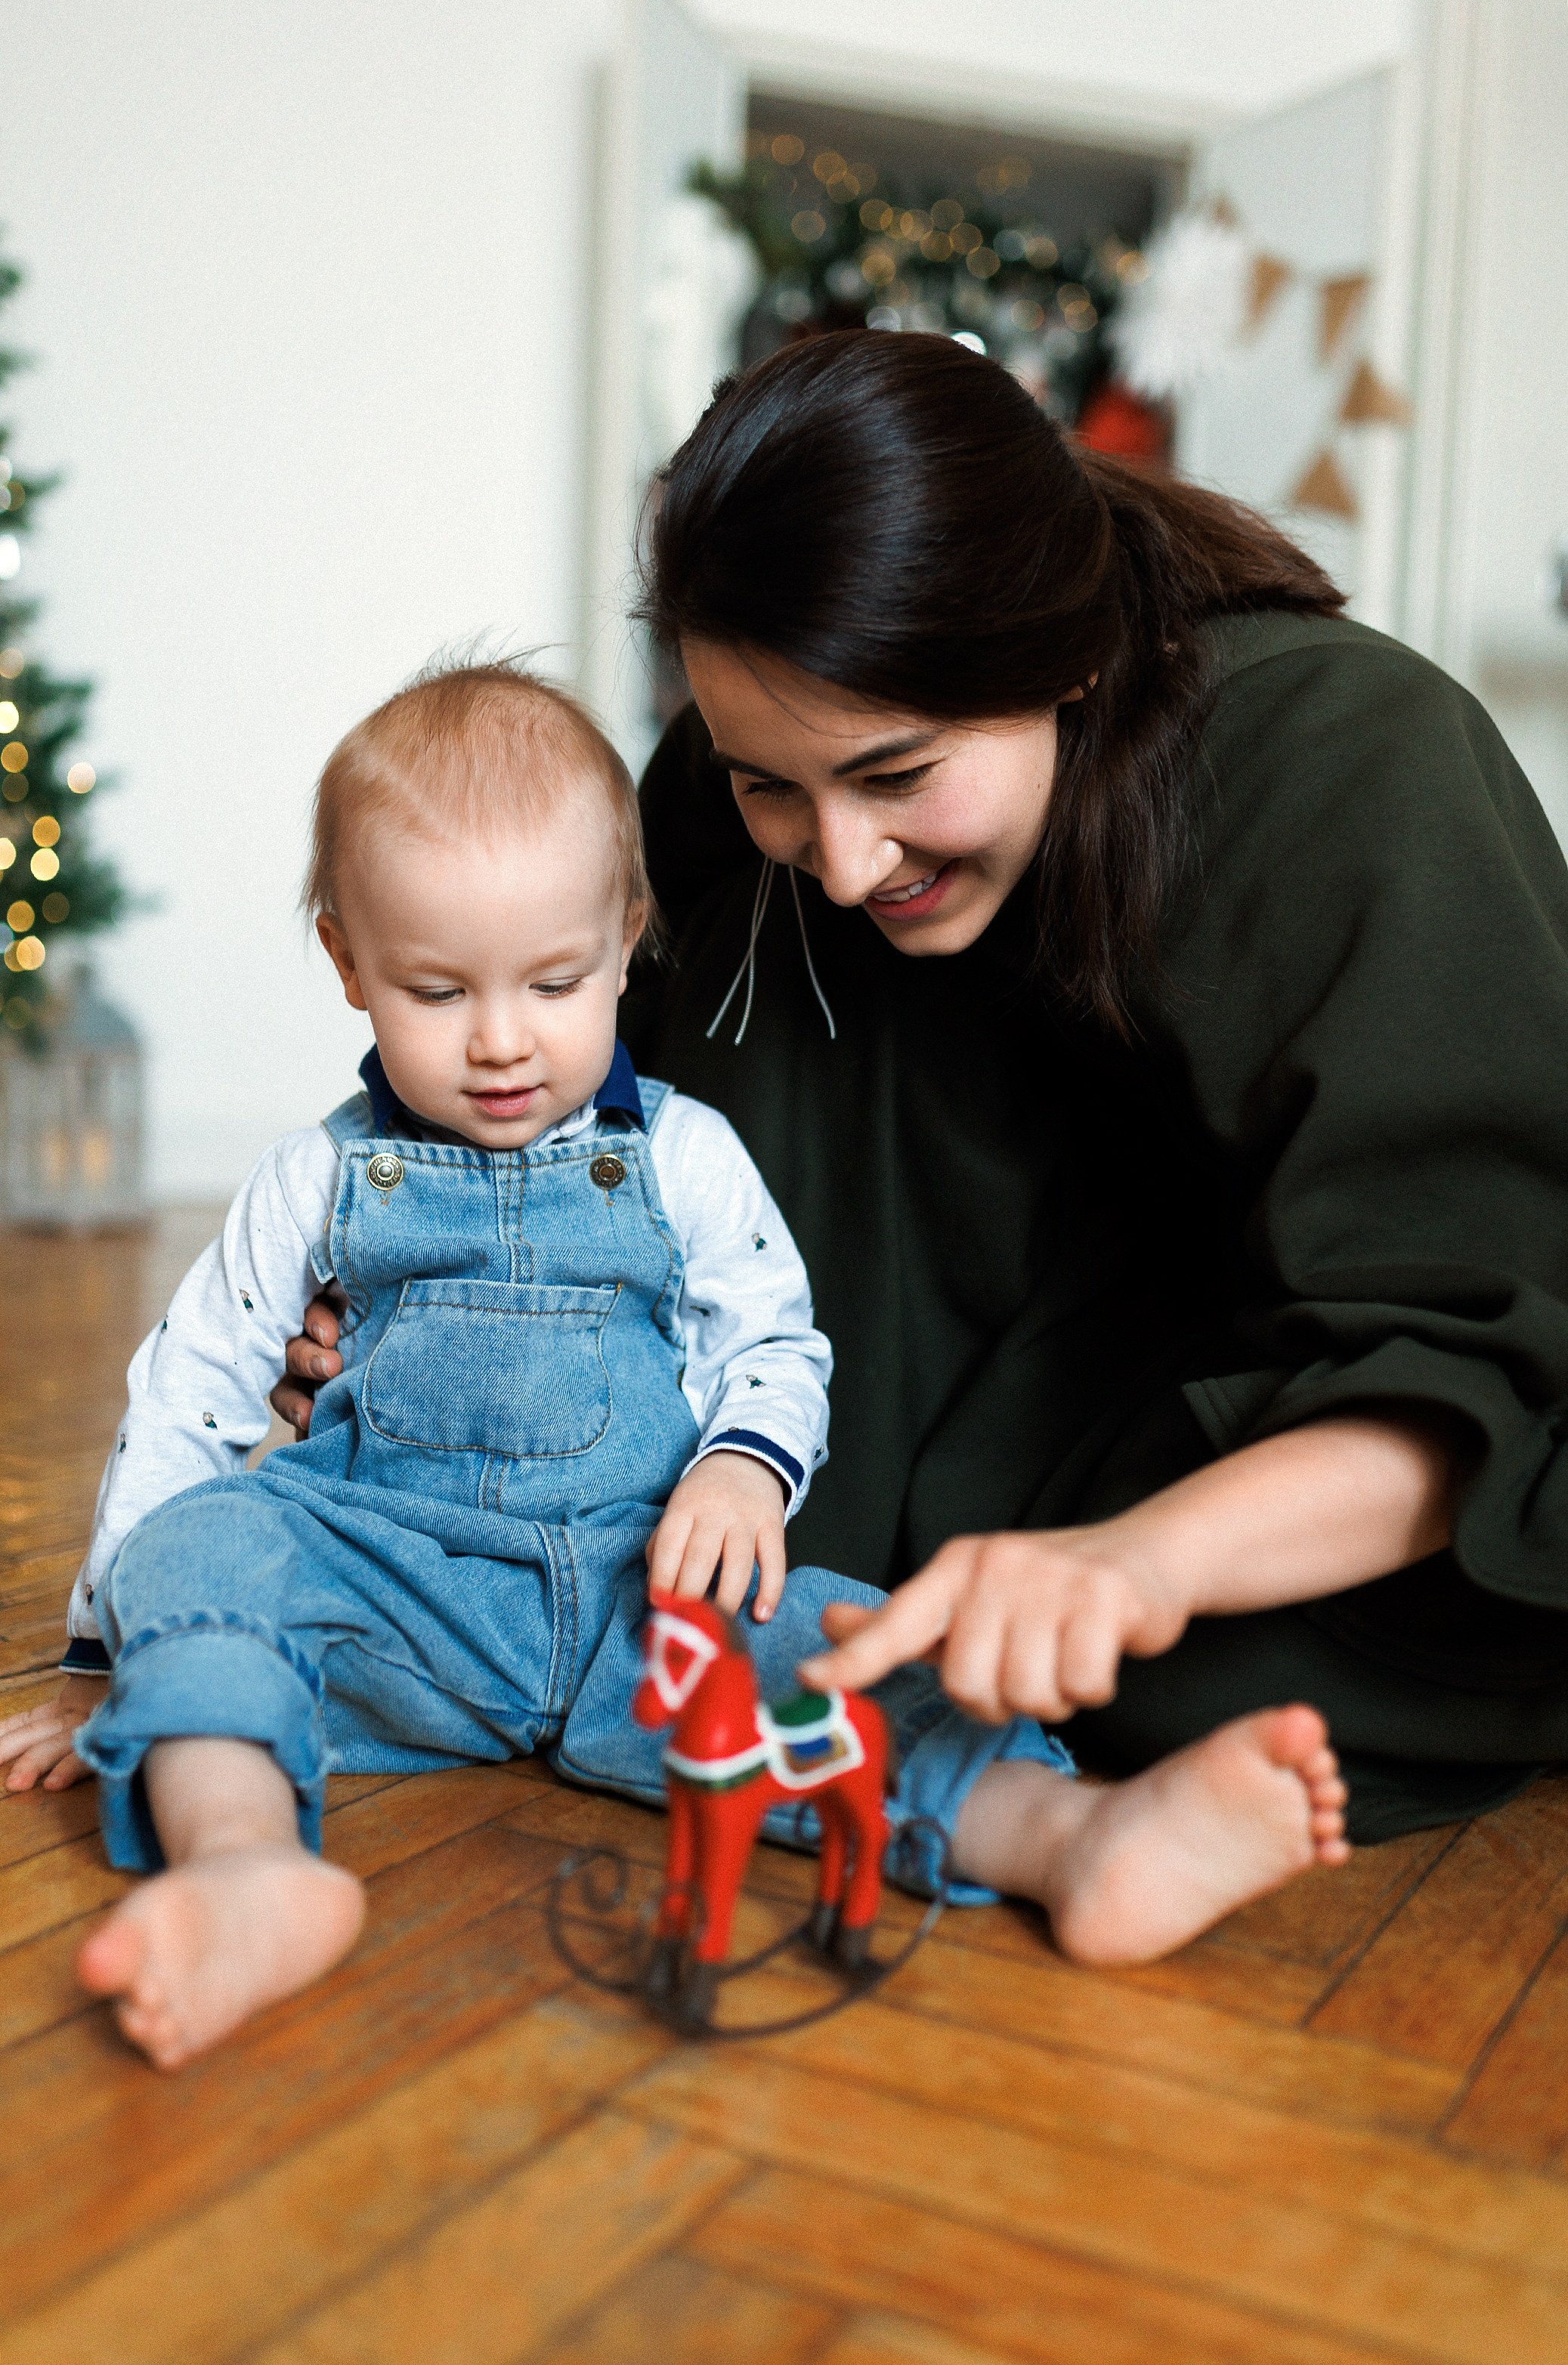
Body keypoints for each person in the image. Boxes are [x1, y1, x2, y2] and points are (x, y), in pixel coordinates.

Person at [268, 332, 1568, 1856]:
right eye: (772, 782)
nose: (842, 862)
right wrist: (445, 1304)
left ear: (1066, 656)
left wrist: (1140, 1563)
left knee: (1173, 1675)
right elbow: (605, 1137)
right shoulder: (720, 799)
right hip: (899, 1475)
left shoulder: (1355, 766)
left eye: (900, 772)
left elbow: (1498, 1356)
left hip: (1267, 1476)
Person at [4, 659, 1344, 2070]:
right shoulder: (320, 1176)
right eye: (438, 990)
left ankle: (1077, 1837)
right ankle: (242, 1865)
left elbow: (774, 1338)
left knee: (840, 1646)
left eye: (557, 980)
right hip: (384, 1588)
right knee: (206, 1556)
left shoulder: (683, 1155)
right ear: (348, 963)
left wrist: (742, 1472)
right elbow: (198, 1379)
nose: (504, 1038)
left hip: (639, 1591)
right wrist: (108, 1650)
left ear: (629, 935)